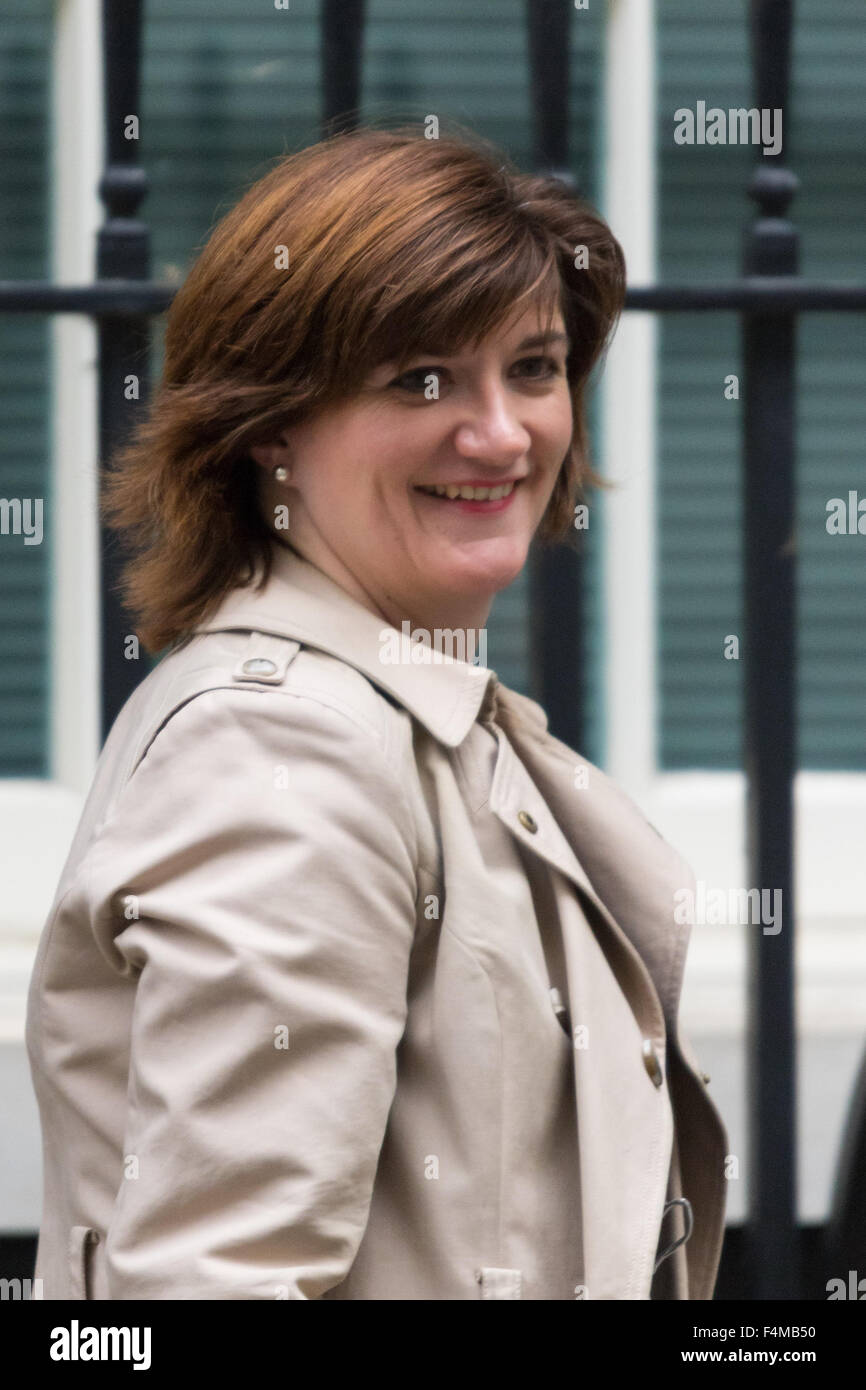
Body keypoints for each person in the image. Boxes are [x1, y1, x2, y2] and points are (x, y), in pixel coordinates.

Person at [25, 123, 727, 1300]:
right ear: (266, 427)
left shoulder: (391, 713)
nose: (500, 433)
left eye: (535, 368)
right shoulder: (287, 745)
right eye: (419, 378)